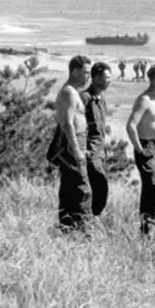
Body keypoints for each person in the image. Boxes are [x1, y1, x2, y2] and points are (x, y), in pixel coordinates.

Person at [47, 55, 92, 231]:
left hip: (76, 144)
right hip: (70, 147)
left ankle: (69, 229)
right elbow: (68, 124)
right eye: (85, 72)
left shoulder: (73, 92)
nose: (88, 76)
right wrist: (77, 150)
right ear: (74, 71)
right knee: (81, 189)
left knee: (73, 188)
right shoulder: (68, 93)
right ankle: (80, 230)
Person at [125, 61, 155, 234]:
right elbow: (130, 126)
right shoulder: (144, 100)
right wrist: (139, 149)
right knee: (153, 188)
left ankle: (153, 227)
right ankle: (147, 229)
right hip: (147, 146)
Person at [81, 62, 111, 217]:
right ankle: (87, 217)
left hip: (100, 149)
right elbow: (79, 126)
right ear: (96, 78)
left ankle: (93, 217)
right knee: (95, 183)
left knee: (100, 186)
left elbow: (102, 126)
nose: (109, 81)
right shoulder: (85, 98)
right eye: (106, 77)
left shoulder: (101, 99)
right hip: (89, 150)